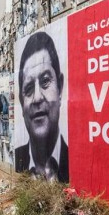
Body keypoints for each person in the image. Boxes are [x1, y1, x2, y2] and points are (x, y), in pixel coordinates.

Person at [15, 31, 68, 182]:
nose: (37, 97)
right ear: (21, 101)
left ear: (60, 88)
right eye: (29, 88)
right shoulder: (18, 158)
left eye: (45, 81)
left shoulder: (78, 159)